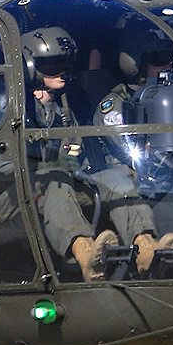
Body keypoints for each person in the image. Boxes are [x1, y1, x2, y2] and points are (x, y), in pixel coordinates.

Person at [20, 27, 117, 282]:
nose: (61, 71)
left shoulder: (67, 108)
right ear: (30, 68)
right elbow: (0, 166)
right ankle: (85, 255)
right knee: (54, 178)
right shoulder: (11, 108)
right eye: (52, 66)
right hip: (16, 192)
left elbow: (77, 154)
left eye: (64, 64)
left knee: (119, 177)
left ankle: (146, 244)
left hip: (61, 185)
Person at [89, 16, 173, 274]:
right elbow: (133, 152)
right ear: (135, 61)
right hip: (128, 180)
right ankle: (146, 250)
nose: (167, 64)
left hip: (171, 176)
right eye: (158, 57)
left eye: (170, 56)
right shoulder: (114, 103)